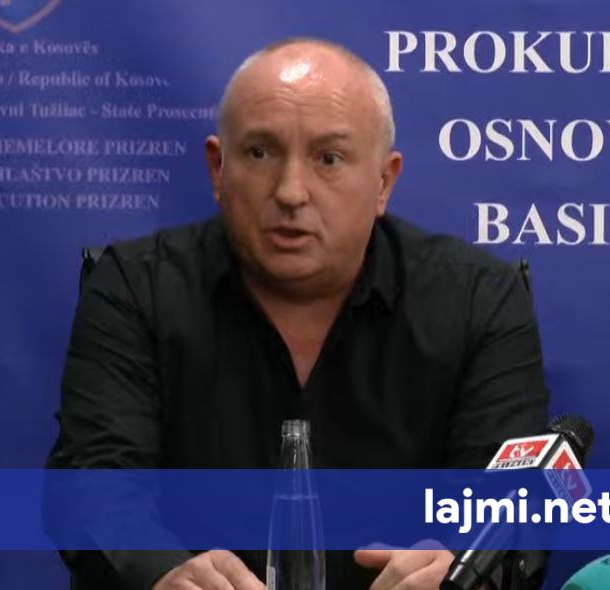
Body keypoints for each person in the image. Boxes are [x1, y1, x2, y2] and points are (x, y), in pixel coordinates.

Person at [47, 38, 549, 590]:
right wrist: (162, 573)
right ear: (217, 167)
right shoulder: (134, 287)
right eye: (260, 153)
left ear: (384, 182)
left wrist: (457, 564)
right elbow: (92, 487)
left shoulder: (479, 300)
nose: (290, 191)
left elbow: (511, 509)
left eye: (328, 159)